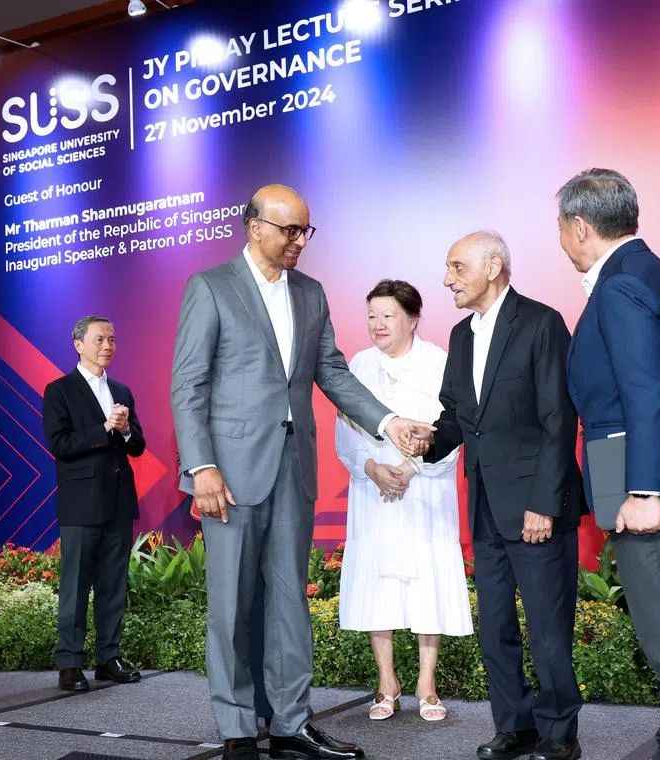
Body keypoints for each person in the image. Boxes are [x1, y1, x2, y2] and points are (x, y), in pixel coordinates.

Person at [170, 184, 433, 760]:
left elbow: (332, 373)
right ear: (253, 226)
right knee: (232, 605)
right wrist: (202, 466)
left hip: (294, 468)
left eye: (304, 231)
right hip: (230, 474)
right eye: (288, 230)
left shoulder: (311, 293)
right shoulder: (210, 287)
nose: (298, 242)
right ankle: (239, 729)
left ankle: (291, 724)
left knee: (289, 601)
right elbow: (188, 385)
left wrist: (387, 422)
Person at [557, 168, 660, 760]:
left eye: (560, 227)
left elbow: (646, 392)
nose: (559, 239)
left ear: (581, 227)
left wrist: (644, 491)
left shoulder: (621, 284)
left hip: (650, 479)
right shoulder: (651, 272)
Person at [423, 232, 585, 760]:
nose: (448, 278)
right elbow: (457, 418)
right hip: (487, 507)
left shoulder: (541, 324)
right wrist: (423, 442)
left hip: (537, 506)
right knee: (495, 625)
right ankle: (514, 726)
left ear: (493, 266)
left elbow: (559, 422)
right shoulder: (460, 335)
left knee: (547, 628)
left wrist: (544, 501)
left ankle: (559, 732)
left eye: (456, 266)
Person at [334, 279, 472, 723]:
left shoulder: (438, 363)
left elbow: (452, 428)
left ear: (412, 319)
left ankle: (426, 684)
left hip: (426, 489)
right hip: (373, 490)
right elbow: (346, 430)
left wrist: (412, 470)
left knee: (426, 579)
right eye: (372, 315)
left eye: (388, 315)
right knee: (380, 583)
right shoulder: (357, 364)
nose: (377, 324)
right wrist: (372, 470)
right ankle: (386, 682)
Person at [42, 316, 145, 692]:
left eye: (113, 339)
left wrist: (127, 428)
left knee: (112, 585)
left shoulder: (121, 390)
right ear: (78, 344)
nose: (108, 345)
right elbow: (60, 444)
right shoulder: (60, 390)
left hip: (118, 501)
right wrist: (104, 428)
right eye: (100, 339)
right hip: (81, 503)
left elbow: (138, 446)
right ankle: (70, 662)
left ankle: (108, 657)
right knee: (76, 586)